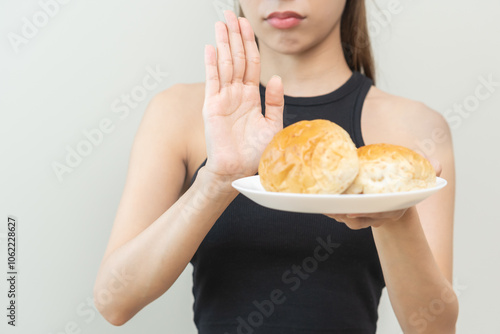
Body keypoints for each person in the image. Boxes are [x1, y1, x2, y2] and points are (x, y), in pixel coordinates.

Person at [93, 1, 458, 333]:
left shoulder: (412, 132)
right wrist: (216, 182)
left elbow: (434, 329)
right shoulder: (178, 113)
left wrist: (396, 213)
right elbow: (114, 302)